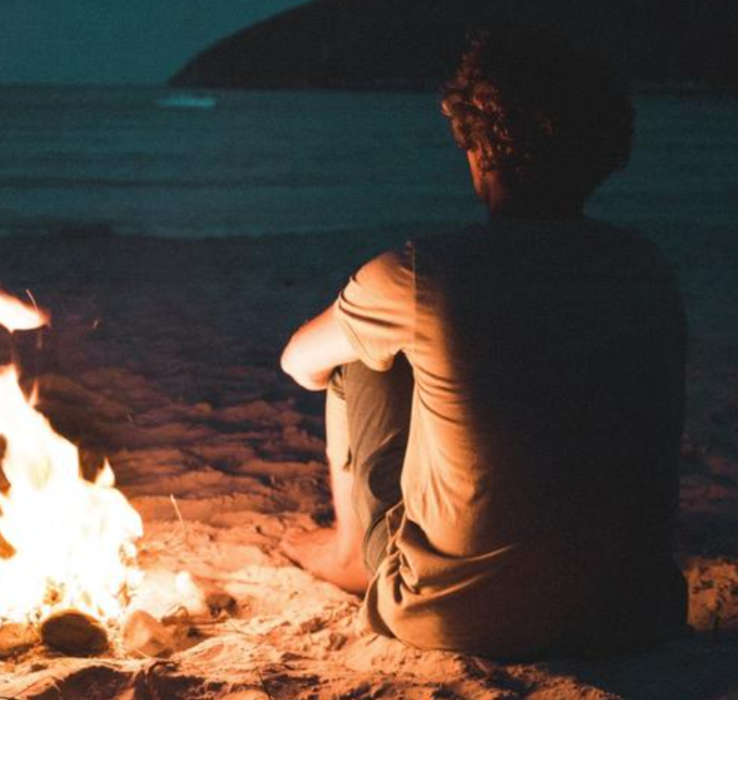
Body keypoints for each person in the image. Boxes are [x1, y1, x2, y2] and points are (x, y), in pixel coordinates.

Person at [277, 33, 690, 658]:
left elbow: (299, 364)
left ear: (477, 151)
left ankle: (350, 552)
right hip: (635, 611)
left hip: (457, 616)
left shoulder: (423, 274)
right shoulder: (646, 268)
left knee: (358, 355)